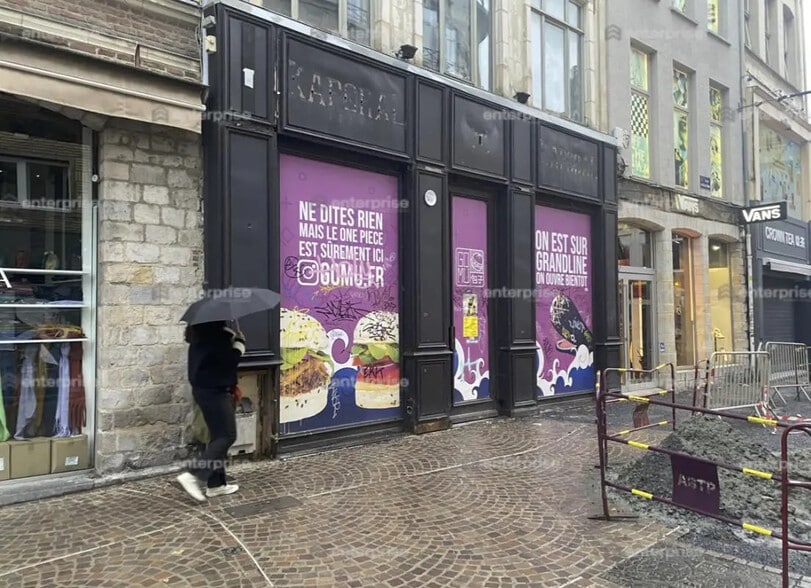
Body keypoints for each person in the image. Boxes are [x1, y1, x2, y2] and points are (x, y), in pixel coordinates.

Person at [176, 321, 245, 501]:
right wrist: (239, 345)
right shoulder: (217, 338)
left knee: (216, 437)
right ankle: (193, 474)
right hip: (216, 393)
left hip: (203, 392)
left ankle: (216, 484)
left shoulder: (198, 338)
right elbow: (229, 363)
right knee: (227, 436)